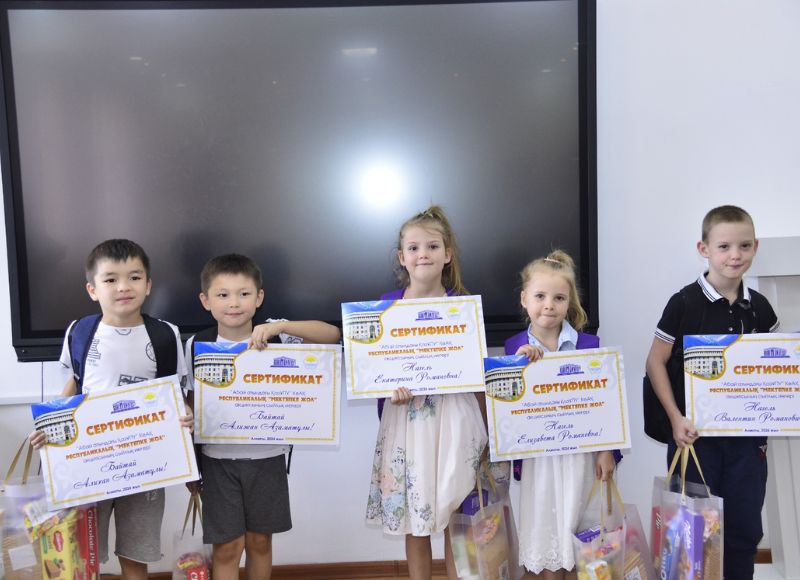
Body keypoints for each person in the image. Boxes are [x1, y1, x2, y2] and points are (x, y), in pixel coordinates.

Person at [29, 239, 191, 580]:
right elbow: (75, 382)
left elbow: (175, 395)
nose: (123, 287)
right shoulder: (80, 331)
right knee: (83, 556)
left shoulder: (165, 334)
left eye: (134, 277)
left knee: (136, 555)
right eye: (110, 279)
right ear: (92, 289)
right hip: (88, 464)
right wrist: (49, 423)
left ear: (148, 285)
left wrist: (185, 416)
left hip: (145, 466)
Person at [184, 253, 340, 580]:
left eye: (244, 293)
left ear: (259, 297)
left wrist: (280, 325)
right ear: (206, 301)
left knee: (259, 542)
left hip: (267, 458)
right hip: (217, 461)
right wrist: (188, 459)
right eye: (223, 294)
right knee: (227, 548)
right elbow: (191, 401)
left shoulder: (278, 338)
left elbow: (332, 335)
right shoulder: (197, 344)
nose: (234, 303)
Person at [645, 205, 778, 580]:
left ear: (755, 247)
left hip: (747, 446)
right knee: (693, 536)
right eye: (724, 247)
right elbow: (655, 363)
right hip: (695, 442)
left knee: (743, 531)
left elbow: (773, 367)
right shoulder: (684, 303)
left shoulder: (760, 308)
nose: (735, 255)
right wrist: (676, 419)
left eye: (744, 246)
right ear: (703, 249)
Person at [365, 206, 488, 580]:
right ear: (402, 257)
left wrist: (490, 433)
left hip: (456, 420)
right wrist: (388, 388)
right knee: (414, 520)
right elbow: (374, 368)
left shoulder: (463, 307)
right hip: (407, 422)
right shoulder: (385, 307)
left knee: (457, 514)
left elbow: (477, 374)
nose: (423, 254)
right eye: (414, 248)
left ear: (447, 254)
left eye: (433, 247)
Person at [505, 250, 615, 580]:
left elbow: (604, 404)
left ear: (570, 303)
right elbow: (507, 407)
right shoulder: (514, 348)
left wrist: (606, 451)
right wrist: (518, 365)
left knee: (581, 534)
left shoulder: (589, 345)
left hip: (581, 460)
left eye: (559, 298)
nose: (549, 305)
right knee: (546, 531)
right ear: (524, 299)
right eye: (540, 296)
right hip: (540, 462)